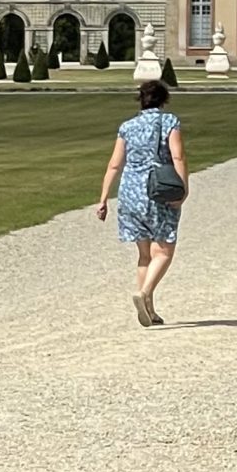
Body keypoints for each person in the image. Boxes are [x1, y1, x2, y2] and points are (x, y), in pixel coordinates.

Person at [97, 81, 187, 326]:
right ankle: (144, 293)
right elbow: (177, 156)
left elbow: (114, 165)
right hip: (158, 189)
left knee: (145, 255)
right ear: (164, 100)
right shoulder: (169, 122)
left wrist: (103, 198)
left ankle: (149, 310)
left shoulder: (127, 127)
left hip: (130, 192)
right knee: (164, 251)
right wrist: (182, 188)